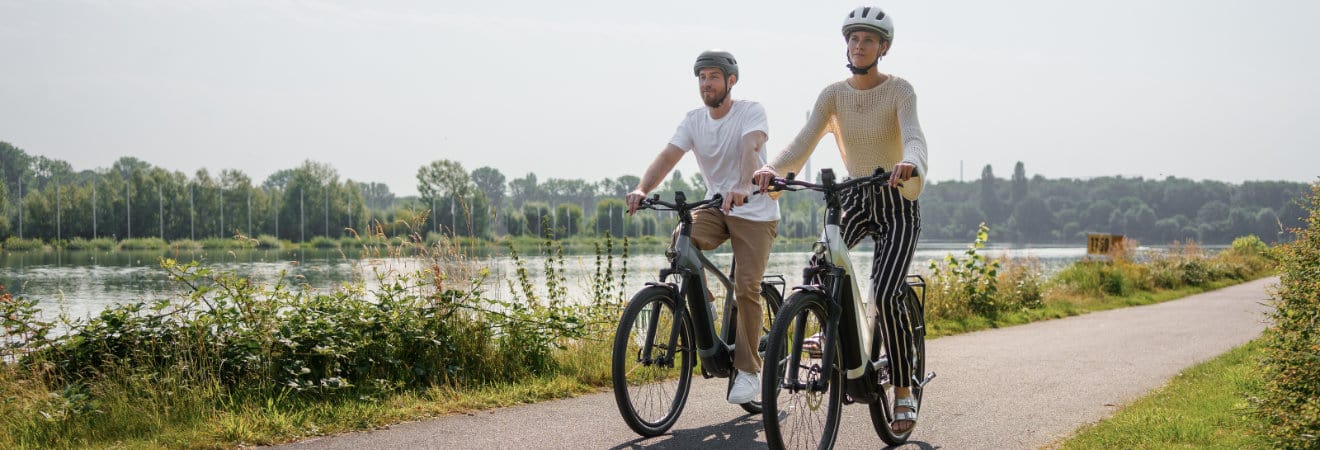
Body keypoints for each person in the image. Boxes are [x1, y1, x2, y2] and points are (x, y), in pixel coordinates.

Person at [753, 6, 927, 433]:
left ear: (883, 48)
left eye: (868, 40)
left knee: (885, 294)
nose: (859, 46)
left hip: (896, 203)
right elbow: (803, 142)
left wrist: (911, 163)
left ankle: (903, 387)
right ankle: (826, 323)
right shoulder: (833, 95)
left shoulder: (900, 90)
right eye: (854, 39)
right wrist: (774, 171)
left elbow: (915, 136)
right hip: (854, 197)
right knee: (819, 263)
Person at [626, 49, 780, 405]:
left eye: (713, 76)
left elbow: (749, 144)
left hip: (754, 210)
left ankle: (747, 369)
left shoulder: (750, 112)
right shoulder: (694, 120)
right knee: (683, 239)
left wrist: (743, 184)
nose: (706, 83)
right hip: (716, 207)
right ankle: (706, 304)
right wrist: (642, 188)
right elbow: (668, 155)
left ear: (731, 81)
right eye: (701, 77)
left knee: (745, 287)